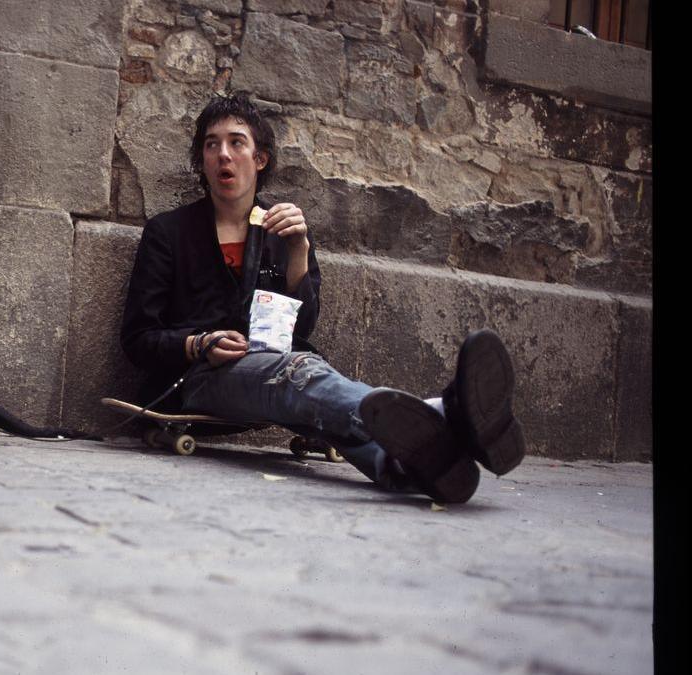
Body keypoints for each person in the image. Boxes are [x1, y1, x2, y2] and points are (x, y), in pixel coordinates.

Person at [119, 92, 526, 503]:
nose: (223, 154)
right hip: (200, 379)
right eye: (211, 144)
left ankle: (411, 467)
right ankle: (446, 412)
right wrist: (198, 343)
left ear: (260, 158)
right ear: (202, 160)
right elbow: (138, 339)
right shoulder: (168, 233)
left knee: (306, 385)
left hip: (284, 371)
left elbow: (305, 325)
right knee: (300, 374)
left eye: (236, 142)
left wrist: (300, 250)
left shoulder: (282, 230)